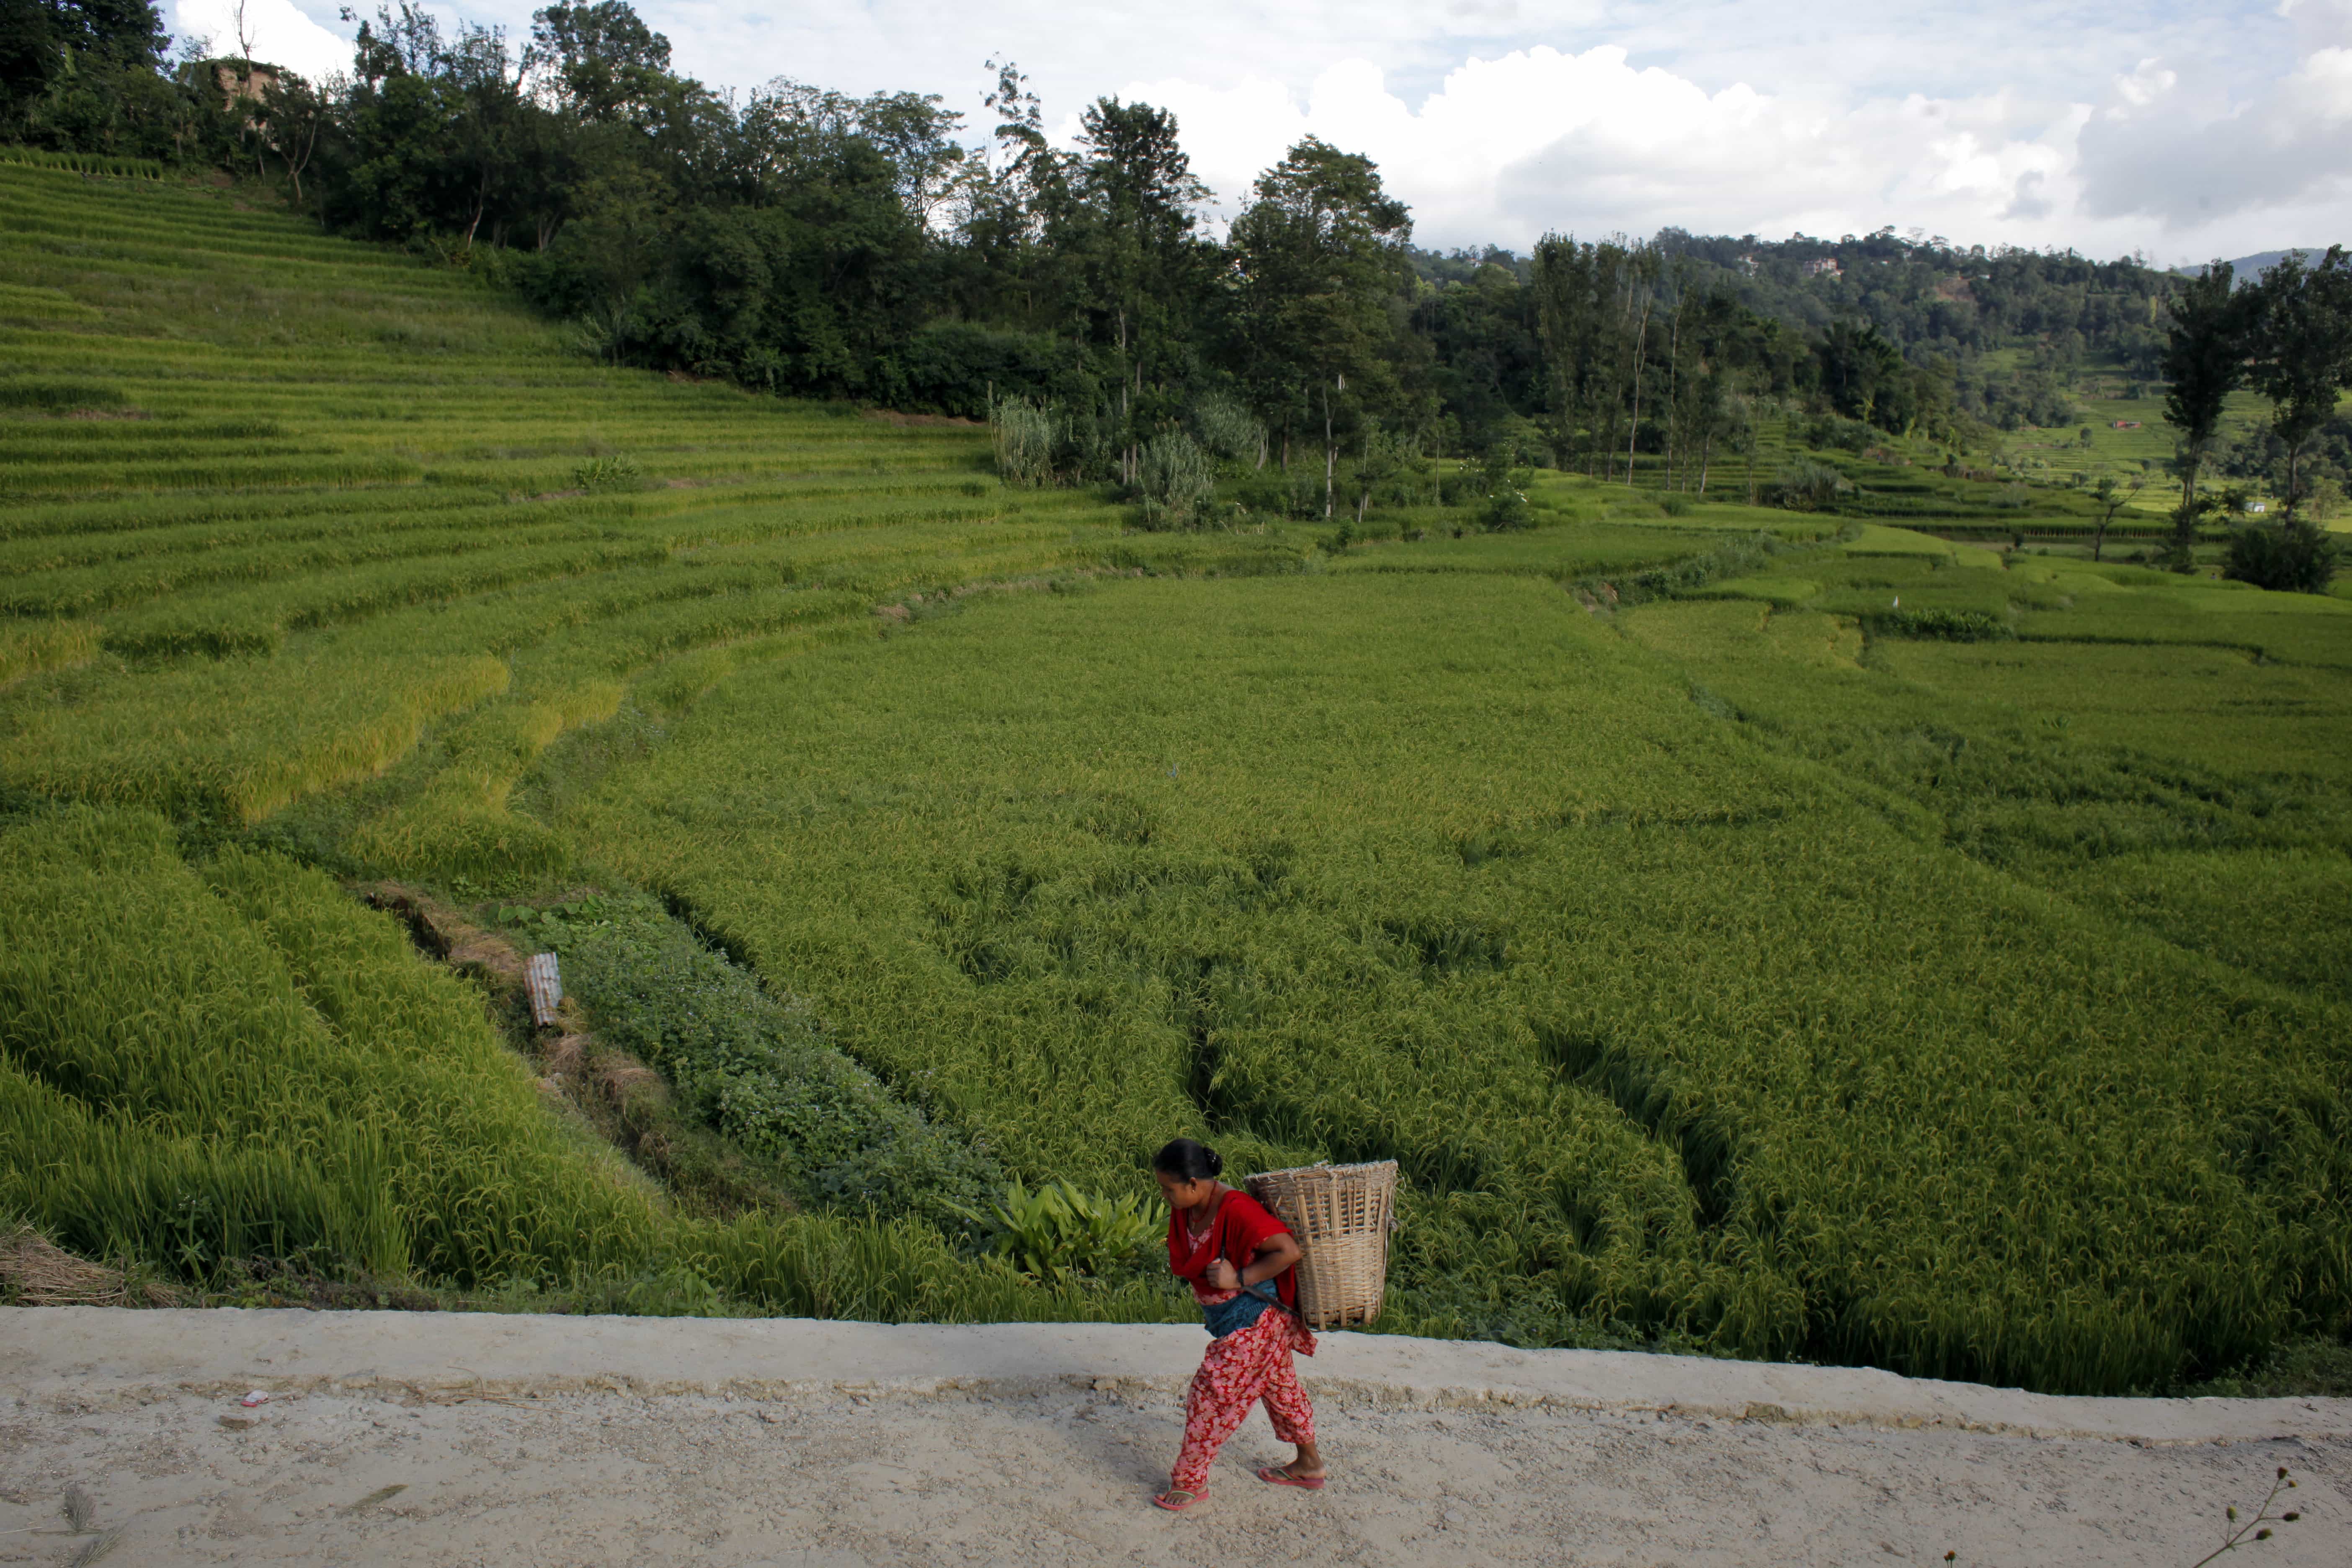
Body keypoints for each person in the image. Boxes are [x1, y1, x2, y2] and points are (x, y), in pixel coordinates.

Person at [1149, 1137, 1325, 1512]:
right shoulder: (1192, 1207)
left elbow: (1288, 1251)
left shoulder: (1237, 1209)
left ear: (1194, 1184)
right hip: (1234, 1321)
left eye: (1169, 1189)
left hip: (1255, 1319)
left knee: (1210, 1392)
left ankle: (1189, 1481)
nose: (1165, 1197)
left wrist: (1239, 1277)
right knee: (1280, 1387)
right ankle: (1309, 1464)